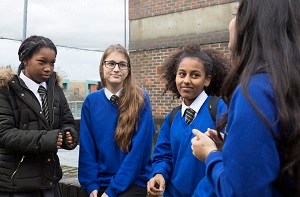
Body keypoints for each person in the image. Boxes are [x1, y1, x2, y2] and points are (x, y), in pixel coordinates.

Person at [191, 0, 300, 196]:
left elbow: (239, 191)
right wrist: (232, 147)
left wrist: (210, 155)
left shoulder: (254, 92)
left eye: (235, 15)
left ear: (253, 25)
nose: (231, 24)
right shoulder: (285, 85)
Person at [147, 43, 229, 196]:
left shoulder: (219, 109)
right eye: (182, 74)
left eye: (195, 75)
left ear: (207, 80)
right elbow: (163, 155)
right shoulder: (172, 118)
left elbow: (230, 157)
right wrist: (159, 174)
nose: (186, 80)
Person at [0, 35, 78, 196]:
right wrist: (49, 139)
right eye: (42, 62)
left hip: (49, 182)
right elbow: (5, 134)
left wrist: (69, 134)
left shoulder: (55, 89)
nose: (48, 68)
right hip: (17, 185)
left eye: (52, 62)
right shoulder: (6, 90)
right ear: (25, 60)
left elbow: (67, 121)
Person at [78, 44, 156, 197]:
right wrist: (91, 184)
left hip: (134, 181)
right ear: (102, 68)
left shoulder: (141, 100)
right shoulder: (90, 102)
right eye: (111, 63)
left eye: (122, 65)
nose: (116, 69)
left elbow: (139, 152)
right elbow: (87, 148)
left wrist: (113, 191)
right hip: (100, 182)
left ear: (128, 71)